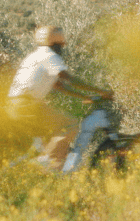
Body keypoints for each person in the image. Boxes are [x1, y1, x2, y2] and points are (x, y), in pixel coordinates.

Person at [7, 26, 109, 169]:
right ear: (55, 42)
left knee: (50, 138)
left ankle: (37, 166)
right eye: (61, 43)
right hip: (27, 105)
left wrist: (85, 96)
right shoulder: (49, 56)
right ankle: (50, 168)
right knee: (70, 124)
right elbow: (69, 79)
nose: (63, 46)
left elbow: (59, 85)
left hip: (15, 104)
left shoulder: (35, 56)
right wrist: (101, 91)